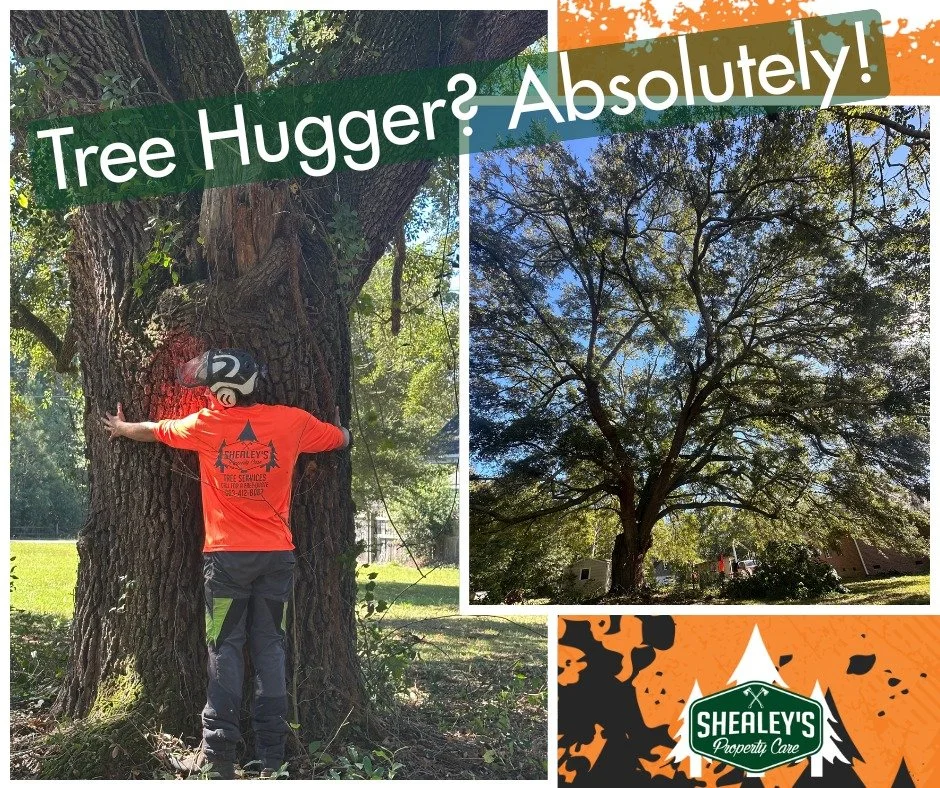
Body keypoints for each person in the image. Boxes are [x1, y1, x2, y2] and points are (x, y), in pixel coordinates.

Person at [101, 348, 350, 779]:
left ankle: (218, 759)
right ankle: (273, 757)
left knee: (224, 648)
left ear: (225, 395)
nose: (209, 398)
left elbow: (155, 430)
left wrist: (120, 428)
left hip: (226, 564)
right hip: (277, 561)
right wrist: (345, 429)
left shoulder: (205, 426)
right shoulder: (292, 422)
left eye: (211, 391)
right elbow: (338, 439)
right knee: (271, 647)